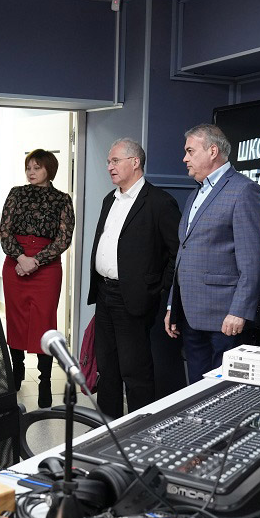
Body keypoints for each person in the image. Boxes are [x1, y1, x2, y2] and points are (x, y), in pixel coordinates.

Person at [165, 123, 260, 381]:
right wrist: (172, 305)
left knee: (222, 393)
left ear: (212, 151)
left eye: (190, 151)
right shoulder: (196, 193)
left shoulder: (244, 191)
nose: (184, 158)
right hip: (191, 316)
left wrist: (240, 311)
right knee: (196, 389)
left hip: (226, 320)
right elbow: (184, 254)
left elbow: (254, 261)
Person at [88, 138, 180, 418]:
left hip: (134, 298)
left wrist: (158, 290)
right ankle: (108, 428)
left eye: (115, 161)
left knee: (135, 371)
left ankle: (139, 430)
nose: (109, 167)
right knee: (107, 368)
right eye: (108, 161)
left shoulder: (160, 202)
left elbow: (177, 253)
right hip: (104, 294)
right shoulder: (110, 199)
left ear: (135, 162)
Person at [0, 149, 74, 408]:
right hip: (15, 264)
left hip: (46, 268)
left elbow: (64, 239)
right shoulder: (16, 194)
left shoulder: (62, 199)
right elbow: (5, 231)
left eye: (37, 167)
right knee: (16, 319)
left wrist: (36, 261)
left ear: (49, 169)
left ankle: (45, 382)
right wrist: (21, 258)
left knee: (44, 323)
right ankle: (17, 371)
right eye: (28, 167)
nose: (31, 172)